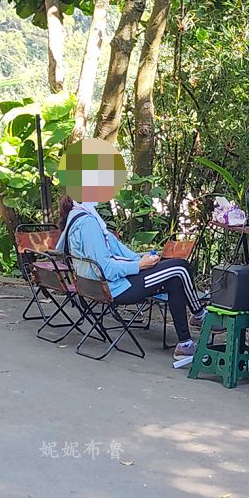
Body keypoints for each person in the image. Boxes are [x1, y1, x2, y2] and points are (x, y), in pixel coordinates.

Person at [54, 139, 202, 355]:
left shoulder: (83, 217)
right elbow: (106, 268)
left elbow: (121, 254)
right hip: (114, 289)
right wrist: (139, 266)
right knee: (179, 267)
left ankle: (186, 344)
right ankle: (199, 314)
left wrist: (145, 258)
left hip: (101, 285)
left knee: (173, 276)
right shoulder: (88, 224)